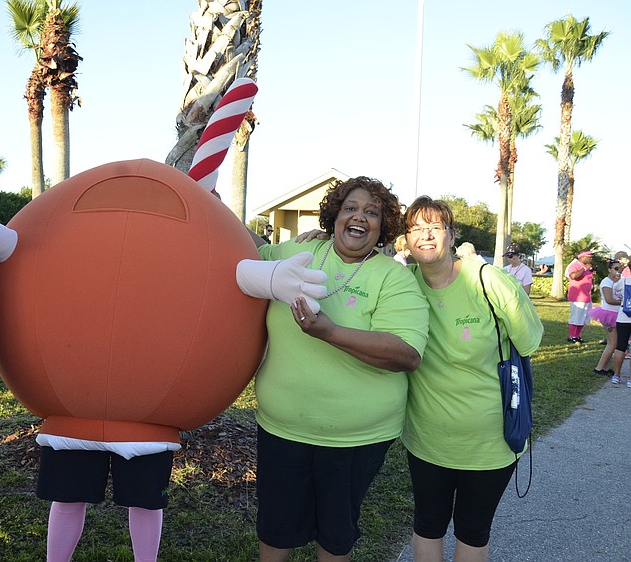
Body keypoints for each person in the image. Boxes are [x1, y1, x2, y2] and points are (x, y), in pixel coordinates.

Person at [242, 176, 430, 561]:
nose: (359, 217)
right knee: (276, 528)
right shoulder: (298, 250)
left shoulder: (393, 278)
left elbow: (406, 354)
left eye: (371, 212)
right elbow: (245, 253)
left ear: (382, 227)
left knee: (335, 534)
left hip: (354, 440)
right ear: (334, 216)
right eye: (350, 208)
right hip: (282, 429)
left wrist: (329, 332)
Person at [401, 196, 543, 562]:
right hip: (427, 439)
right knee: (427, 524)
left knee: (473, 529)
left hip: (489, 444)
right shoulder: (402, 282)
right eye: (416, 228)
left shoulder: (486, 278)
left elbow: (528, 341)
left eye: (434, 227)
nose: (426, 235)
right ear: (405, 239)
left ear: (450, 234)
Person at [589, 260, 622, 377]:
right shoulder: (606, 282)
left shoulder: (618, 281)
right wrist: (623, 302)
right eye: (616, 268)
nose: (619, 271)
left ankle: (603, 367)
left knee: (612, 343)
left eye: (620, 268)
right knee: (613, 343)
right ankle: (599, 368)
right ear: (610, 269)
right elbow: (609, 300)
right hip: (609, 314)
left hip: (615, 313)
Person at [565, 250, 595, 343]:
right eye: (589, 256)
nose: (591, 258)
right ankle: (571, 336)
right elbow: (573, 276)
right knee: (576, 317)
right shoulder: (575, 265)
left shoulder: (587, 267)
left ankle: (577, 335)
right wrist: (584, 269)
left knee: (583, 317)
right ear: (582, 257)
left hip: (586, 296)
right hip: (577, 297)